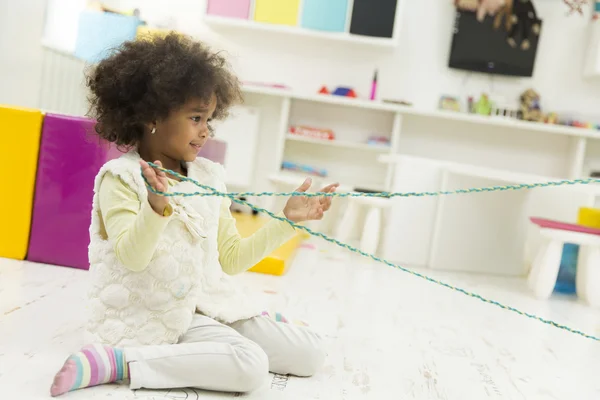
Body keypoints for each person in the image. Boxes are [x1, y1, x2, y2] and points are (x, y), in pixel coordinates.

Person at [50, 33, 338, 397]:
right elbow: (132, 258)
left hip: (209, 306)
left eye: (209, 120)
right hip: (157, 314)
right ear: (152, 115)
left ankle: (246, 323)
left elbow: (231, 259)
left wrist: (287, 220)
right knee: (250, 366)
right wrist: (155, 209)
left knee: (310, 353)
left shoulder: (208, 175)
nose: (205, 131)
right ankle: (120, 361)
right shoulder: (120, 178)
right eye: (196, 118)